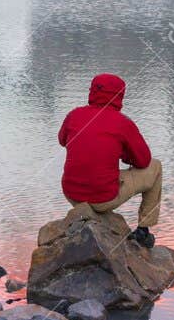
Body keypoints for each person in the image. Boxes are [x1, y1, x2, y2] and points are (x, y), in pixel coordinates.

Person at [57, 72, 162, 247]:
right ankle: (144, 230)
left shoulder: (74, 115)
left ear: (92, 92)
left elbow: (62, 140)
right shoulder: (122, 123)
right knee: (156, 167)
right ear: (120, 96)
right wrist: (122, 153)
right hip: (103, 198)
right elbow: (143, 161)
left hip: (72, 195)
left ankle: (86, 215)